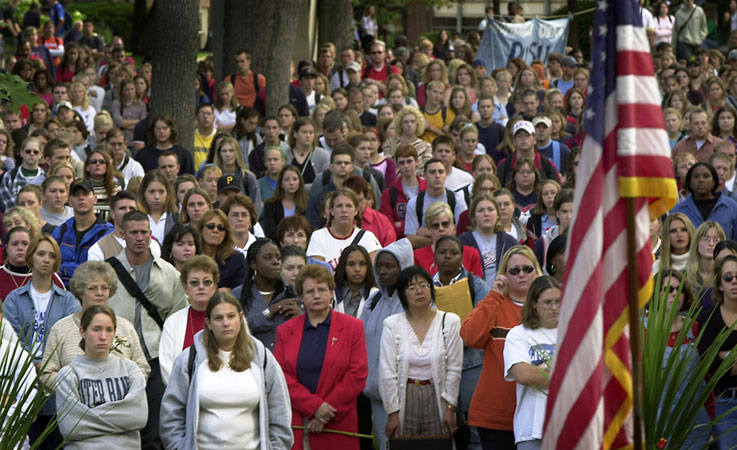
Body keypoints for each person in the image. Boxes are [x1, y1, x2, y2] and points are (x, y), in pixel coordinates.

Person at [160, 292, 293, 449]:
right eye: (218, 318)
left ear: (241, 317)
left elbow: (280, 412)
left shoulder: (262, 358)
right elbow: (171, 415)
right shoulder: (189, 360)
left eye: (231, 316)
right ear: (208, 323)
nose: (226, 323)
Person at [106, 210, 188, 449]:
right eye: (134, 232)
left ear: (151, 234)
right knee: (120, 425)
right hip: (117, 357)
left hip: (155, 356)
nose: (139, 237)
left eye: (144, 232)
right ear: (122, 234)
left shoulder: (169, 272)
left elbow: (177, 318)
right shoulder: (107, 272)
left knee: (154, 430)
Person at [274, 264, 368, 449]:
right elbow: (281, 376)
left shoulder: (353, 327)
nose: (316, 295)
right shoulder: (285, 331)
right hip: (300, 424)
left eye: (322, 290)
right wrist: (314, 407)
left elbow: (357, 374)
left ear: (332, 292)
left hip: (338, 423)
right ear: (301, 297)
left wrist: (326, 411)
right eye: (310, 291)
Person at [460, 245, 542, 450]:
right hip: (496, 415)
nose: (521, 274)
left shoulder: (549, 306)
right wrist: (495, 295)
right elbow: (471, 337)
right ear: (504, 274)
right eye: (514, 270)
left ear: (537, 271)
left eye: (527, 269)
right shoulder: (494, 303)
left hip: (538, 415)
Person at [3, 234, 80, 448]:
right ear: (31, 258)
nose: (46, 259)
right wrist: (32, 364)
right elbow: (13, 340)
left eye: (51, 255)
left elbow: (69, 338)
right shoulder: (13, 299)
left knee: (52, 441)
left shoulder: (68, 300)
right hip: (22, 378)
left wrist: (47, 364)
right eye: (41, 254)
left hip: (55, 381)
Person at [41, 261, 150, 394]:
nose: (99, 293)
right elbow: (46, 374)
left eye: (105, 288)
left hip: (119, 407)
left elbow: (143, 368)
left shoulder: (125, 327)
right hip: (75, 408)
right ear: (80, 292)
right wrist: (80, 389)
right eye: (92, 288)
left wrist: (120, 389)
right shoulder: (61, 329)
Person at [379, 265, 463, 439]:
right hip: (406, 396)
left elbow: (454, 369)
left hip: (437, 395)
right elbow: (387, 372)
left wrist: (450, 407)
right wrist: (392, 412)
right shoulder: (392, 324)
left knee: (438, 443)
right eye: (411, 287)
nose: (419, 291)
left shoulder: (450, 322)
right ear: (403, 295)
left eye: (424, 285)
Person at [55, 305, 148, 448]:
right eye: (96, 329)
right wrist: (122, 418)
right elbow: (70, 427)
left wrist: (88, 416)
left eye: (109, 330)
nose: (103, 336)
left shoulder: (130, 369)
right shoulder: (68, 374)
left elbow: (138, 416)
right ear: (82, 331)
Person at [503, 276, 561, 449]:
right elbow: (524, 375)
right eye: (548, 302)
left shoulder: (575, 331)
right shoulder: (518, 334)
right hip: (532, 428)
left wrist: (541, 369)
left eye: (558, 301)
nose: (554, 307)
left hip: (569, 425)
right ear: (534, 303)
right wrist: (567, 373)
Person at [159, 255, 219, 385]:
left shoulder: (230, 318)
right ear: (185, 288)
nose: (201, 287)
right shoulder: (172, 322)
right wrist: (186, 394)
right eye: (194, 282)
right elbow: (166, 366)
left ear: (214, 287)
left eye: (207, 282)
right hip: (184, 395)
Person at [233, 238, 301, 351]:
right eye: (268, 258)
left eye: (278, 258)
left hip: (286, 363)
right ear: (253, 264)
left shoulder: (293, 293)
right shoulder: (238, 295)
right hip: (250, 361)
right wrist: (269, 312)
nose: (276, 262)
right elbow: (234, 328)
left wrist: (301, 318)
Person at [697, 255, 737, 449]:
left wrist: (724, 355)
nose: (734, 281)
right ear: (720, 284)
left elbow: (718, 359)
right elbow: (708, 362)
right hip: (726, 403)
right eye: (728, 277)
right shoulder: (709, 319)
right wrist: (726, 359)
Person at [52, 178, 114, 287]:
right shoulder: (61, 231)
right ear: (69, 201)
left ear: (95, 199)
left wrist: (65, 268)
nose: (81, 198)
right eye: (76, 195)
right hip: (62, 293)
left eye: (85, 194)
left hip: (93, 292)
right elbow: (51, 266)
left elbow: (101, 271)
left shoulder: (107, 232)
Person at [306, 188, 382, 269]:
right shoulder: (318, 236)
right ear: (331, 211)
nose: (344, 210)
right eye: (339, 206)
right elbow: (318, 273)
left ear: (356, 211)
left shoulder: (368, 237)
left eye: (349, 206)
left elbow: (373, 272)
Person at [404, 158, 467, 248]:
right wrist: (448, 233)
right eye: (432, 172)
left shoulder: (457, 199)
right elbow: (411, 240)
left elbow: (463, 234)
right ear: (425, 176)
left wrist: (429, 234)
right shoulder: (414, 203)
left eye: (441, 172)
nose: (437, 176)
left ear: (446, 175)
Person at [460, 193, 519, 284]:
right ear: (473, 216)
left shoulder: (509, 242)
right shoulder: (464, 242)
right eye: (480, 210)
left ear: (497, 215)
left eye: (491, 209)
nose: (486, 214)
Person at [414, 202, 484, 277]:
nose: (441, 229)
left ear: (453, 226)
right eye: (435, 225)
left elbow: (478, 285)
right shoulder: (417, 256)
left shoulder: (471, 254)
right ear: (428, 229)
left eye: (445, 224)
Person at [88, 191, 161, 262]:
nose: (127, 212)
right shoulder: (99, 249)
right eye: (122, 208)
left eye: (131, 208)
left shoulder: (152, 245)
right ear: (113, 214)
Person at [671, 162, 737, 239]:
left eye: (706, 176)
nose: (701, 180)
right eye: (696, 176)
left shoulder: (731, 207)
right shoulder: (679, 210)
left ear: (714, 181)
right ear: (690, 182)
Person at [0, 226, 64, 300]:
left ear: (32, 247)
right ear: (7, 248)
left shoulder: (50, 276)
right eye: (15, 244)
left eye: (25, 244)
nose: (20, 248)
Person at [380, 144, 427, 239]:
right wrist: (417, 229)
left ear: (417, 162)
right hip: (400, 243)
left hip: (426, 243)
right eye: (402, 163)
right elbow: (388, 227)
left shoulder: (428, 187)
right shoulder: (389, 193)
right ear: (396, 164)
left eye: (409, 161)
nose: (406, 166)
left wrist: (401, 225)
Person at [261, 165, 309, 242]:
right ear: (281, 184)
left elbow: (309, 230)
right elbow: (270, 231)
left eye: (295, 179)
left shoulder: (307, 203)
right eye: (287, 180)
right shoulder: (270, 204)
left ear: (300, 182)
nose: (291, 183)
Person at [0, 136, 46, 213]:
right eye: (28, 151)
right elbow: (8, 207)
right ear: (21, 152)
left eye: (35, 152)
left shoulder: (46, 177)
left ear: (40, 154)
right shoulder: (9, 176)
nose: (31, 154)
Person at [332, 245, 378, 318]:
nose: (357, 269)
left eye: (362, 264)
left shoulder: (376, 296)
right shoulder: (331, 294)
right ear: (343, 266)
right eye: (351, 264)